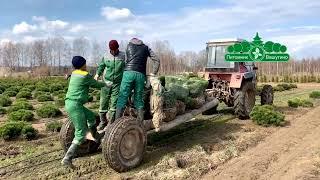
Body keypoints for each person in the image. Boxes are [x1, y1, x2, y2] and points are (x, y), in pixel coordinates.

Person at [61, 56, 112, 169]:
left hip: (72, 104)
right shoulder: (84, 76)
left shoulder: (75, 73)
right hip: (75, 105)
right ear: (82, 65)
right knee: (80, 134)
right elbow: (96, 84)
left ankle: (95, 136)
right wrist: (106, 84)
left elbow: (71, 75)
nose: (86, 65)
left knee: (91, 117)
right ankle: (67, 158)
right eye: (85, 63)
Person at [115, 38, 160, 123]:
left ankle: (116, 124)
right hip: (140, 75)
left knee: (122, 98)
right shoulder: (146, 48)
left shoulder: (128, 46)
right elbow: (157, 60)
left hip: (128, 73)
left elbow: (125, 61)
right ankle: (140, 124)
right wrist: (153, 74)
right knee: (139, 100)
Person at [94, 40, 125, 130]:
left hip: (117, 83)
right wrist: (97, 74)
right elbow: (101, 66)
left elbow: (127, 66)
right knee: (103, 102)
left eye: (115, 50)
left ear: (118, 48)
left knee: (114, 103)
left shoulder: (123, 56)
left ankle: (110, 124)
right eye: (112, 50)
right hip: (106, 82)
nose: (114, 52)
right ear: (109, 49)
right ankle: (103, 122)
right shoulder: (106, 55)